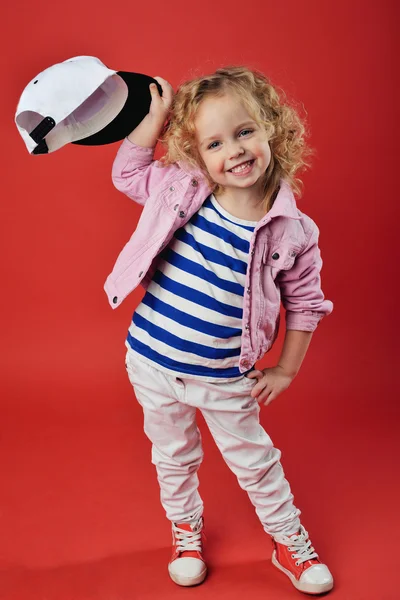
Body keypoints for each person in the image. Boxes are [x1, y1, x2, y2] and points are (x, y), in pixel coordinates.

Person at [104, 66, 334, 594]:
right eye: (214, 142)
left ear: (272, 127)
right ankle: (185, 530)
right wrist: (152, 122)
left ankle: (286, 541)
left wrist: (286, 369)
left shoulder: (294, 232)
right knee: (173, 456)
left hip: (225, 375)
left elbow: (305, 304)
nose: (233, 150)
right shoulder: (184, 190)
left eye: (244, 132)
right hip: (151, 361)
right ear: (196, 153)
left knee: (256, 463)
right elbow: (127, 174)